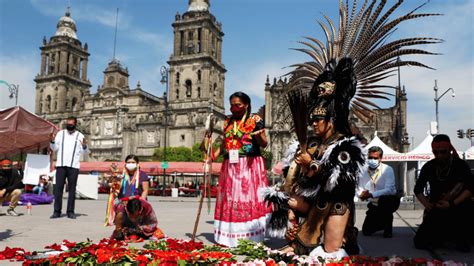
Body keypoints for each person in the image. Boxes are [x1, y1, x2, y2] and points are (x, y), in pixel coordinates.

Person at [205, 91, 271, 247]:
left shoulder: (255, 119)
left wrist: (258, 135)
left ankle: (250, 237)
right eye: (232, 105)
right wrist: (212, 156)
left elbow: (264, 144)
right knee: (230, 199)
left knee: (247, 198)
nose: (234, 108)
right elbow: (224, 144)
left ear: (246, 105)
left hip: (249, 164)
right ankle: (228, 237)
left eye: (238, 105)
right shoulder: (227, 121)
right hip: (230, 165)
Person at [413, 134, 473, 252]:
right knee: (420, 242)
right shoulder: (429, 166)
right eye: (436, 152)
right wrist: (427, 204)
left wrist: (452, 204)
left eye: (443, 152)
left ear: (450, 150)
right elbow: (418, 189)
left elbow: (470, 188)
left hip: (458, 207)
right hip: (437, 207)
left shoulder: (460, 165)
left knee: (463, 246)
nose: (439, 155)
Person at [50, 116, 88, 219]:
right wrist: (52, 141)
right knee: (58, 189)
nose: (69, 125)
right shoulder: (60, 134)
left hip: (73, 166)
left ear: (75, 124)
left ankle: (70, 211)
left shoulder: (80, 136)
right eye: (68, 123)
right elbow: (54, 148)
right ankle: (56, 211)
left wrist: (84, 146)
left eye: (71, 124)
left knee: (72, 190)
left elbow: (85, 152)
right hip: (61, 165)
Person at [357, 146, 399, 238]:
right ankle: (382, 223)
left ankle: (388, 226)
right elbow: (359, 187)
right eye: (370, 157)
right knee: (366, 231)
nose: (372, 160)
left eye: (375, 158)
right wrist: (361, 194)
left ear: (380, 158)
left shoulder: (387, 169)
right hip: (373, 203)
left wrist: (371, 194)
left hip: (388, 201)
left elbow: (389, 190)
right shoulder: (363, 171)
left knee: (385, 201)